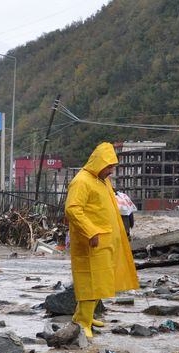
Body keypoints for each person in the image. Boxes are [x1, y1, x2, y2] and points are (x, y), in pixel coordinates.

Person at [64, 142, 139, 339]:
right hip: (91, 242)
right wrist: (90, 232)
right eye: (109, 166)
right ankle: (82, 322)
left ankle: (85, 315)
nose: (111, 171)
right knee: (90, 281)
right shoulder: (81, 181)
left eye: (113, 167)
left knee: (101, 280)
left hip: (106, 240)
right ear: (99, 163)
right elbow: (72, 209)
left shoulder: (102, 180)